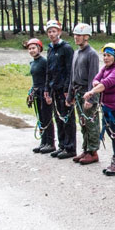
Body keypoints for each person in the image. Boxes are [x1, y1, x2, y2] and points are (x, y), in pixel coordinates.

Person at [84, 43, 115, 176]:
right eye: (104, 55)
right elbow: (96, 79)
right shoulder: (105, 68)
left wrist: (92, 92)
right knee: (112, 135)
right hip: (107, 107)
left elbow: (105, 83)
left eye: (108, 55)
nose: (105, 58)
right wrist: (96, 84)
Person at [67, 23, 101, 165]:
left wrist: (91, 98)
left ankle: (93, 151)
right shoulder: (76, 53)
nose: (76, 38)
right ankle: (86, 148)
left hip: (88, 93)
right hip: (78, 91)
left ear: (86, 37)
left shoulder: (91, 54)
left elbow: (94, 77)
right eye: (75, 35)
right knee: (83, 122)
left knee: (91, 122)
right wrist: (70, 95)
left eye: (79, 35)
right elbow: (72, 75)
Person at [42, 20, 76, 159]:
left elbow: (70, 70)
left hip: (64, 89)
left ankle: (70, 147)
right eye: (49, 32)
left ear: (59, 32)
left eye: (54, 31)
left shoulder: (66, 48)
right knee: (58, 118)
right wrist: (47, 88)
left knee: (67, 118)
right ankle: (62, 145)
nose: (51, 34)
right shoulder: (50, 49)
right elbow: (48, 71)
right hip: (54, 88)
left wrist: (68, 89)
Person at [26, 37, 55, 154]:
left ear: (39, 48)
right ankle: (43, 141)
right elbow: (35, 80)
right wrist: (31, 92)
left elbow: (49, 77)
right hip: (37, 91)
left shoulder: (44, 62)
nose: (31, 50)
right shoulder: (33, 62)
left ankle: (50, 143)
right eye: (29, 49)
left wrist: (48, 93)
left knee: (47, 117)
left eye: (33, 48)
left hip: (44, 92)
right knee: (40, 118)